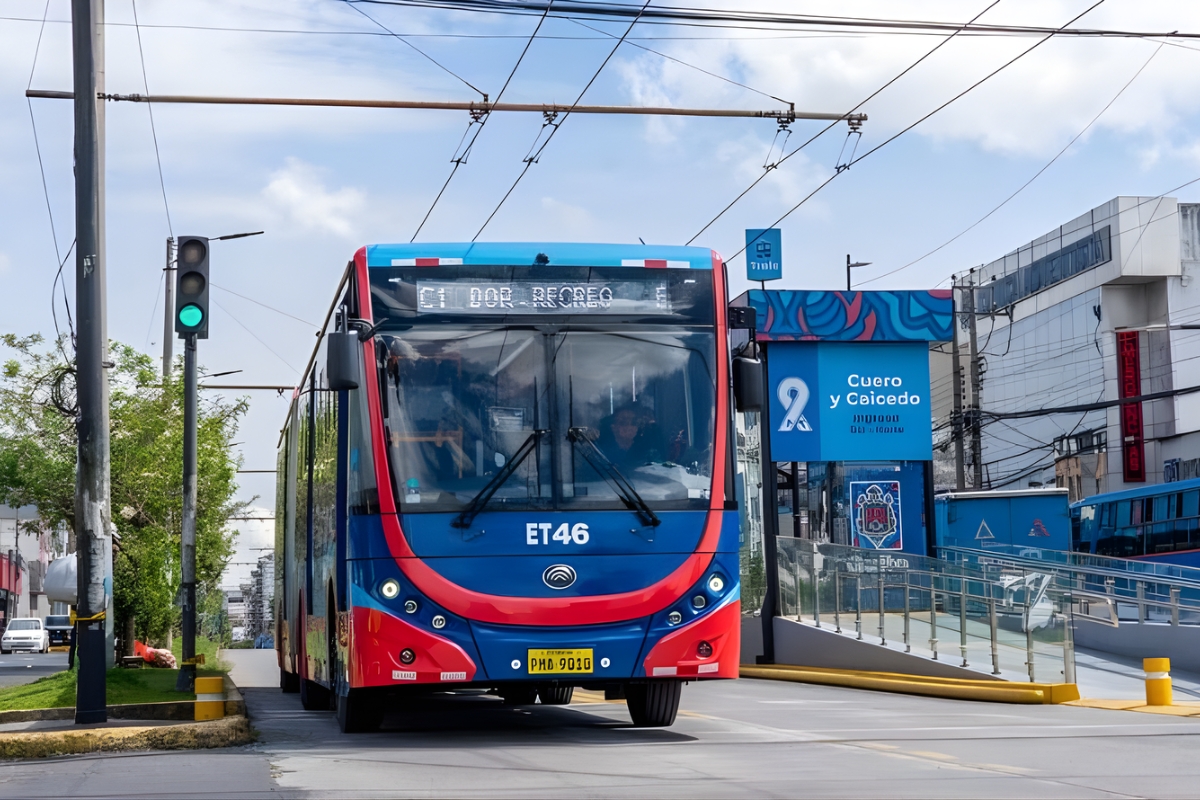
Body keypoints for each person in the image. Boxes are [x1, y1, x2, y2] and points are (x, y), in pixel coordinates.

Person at [595, 405, 664, 469]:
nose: (629, 427)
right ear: (613, 427)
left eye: (633, 423)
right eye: (623, 422)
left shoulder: (647, 452)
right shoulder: (600, 452)